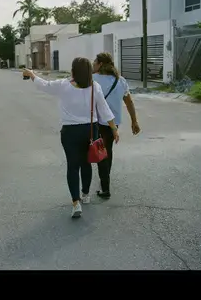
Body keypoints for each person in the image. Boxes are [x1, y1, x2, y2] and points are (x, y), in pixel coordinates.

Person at [23, 57, 120, 219]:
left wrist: (32, 74)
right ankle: (86, 194)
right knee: (86, 162)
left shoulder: (63, 85)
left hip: (70, 132)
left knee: (73, 166)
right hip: (90, 130)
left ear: (73, 71)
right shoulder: (94, 87)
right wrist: (114, 129)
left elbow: (44, 85)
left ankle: (76, 203)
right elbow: (104, 109)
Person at [92, 52, 140, 199]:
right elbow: (129, 102)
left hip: (97, 122)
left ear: (100, 64)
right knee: (107, 151)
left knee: (100, 152)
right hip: (114, 123)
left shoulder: (93, 79)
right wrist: (134, 121)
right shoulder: (120, 80)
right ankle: (105, 183)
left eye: (95, 62)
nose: (93, 64)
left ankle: (105, 186)